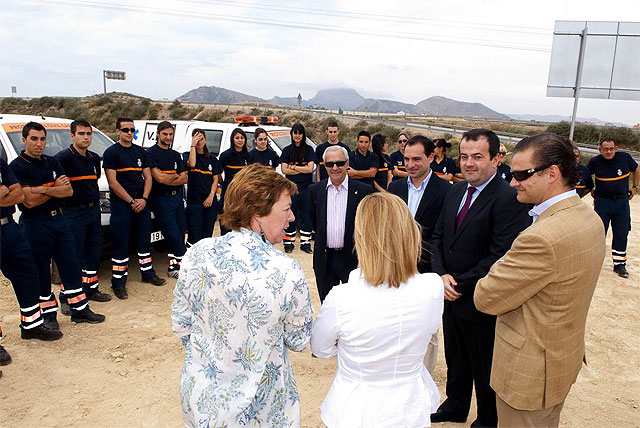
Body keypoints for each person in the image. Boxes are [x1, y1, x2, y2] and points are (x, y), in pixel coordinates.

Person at [475, 133, 605, 428]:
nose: (512, 182)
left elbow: (485, 297)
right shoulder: (589, 218)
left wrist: (502, 260)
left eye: (522, 174)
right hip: (559, 362)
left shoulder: (540, 238)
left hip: (529, 376)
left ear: (552, 173)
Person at [172, 163, 313, 428]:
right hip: (263, 410)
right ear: (258, 214)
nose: (292, 217)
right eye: (286, 209)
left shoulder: (197, 253)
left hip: (204, 404)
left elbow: (181, 326)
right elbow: (299, 340)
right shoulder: (285, 270)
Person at [311, 192, 444, 428]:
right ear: (409, 233)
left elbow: (320, 348)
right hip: (410, 405)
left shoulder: (342, 298)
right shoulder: (433, 286)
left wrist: (350, 345)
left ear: (361, 237)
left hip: (357, 409)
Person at [430, 129, 530, 427]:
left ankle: (487, 418)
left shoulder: (509, 198)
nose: (469, 163)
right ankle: (456, 406)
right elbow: (437, 237)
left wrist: (456, 282)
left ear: (496, 159)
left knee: (484, 363)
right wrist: (440, 275)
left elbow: (500, 254)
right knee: (456, 357)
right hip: (449, 294)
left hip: (480, 299)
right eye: (464, 156)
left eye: (477, 156)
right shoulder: (456, 191)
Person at [9, 122, 105, 327]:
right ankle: (49, 315)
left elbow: (68, 192)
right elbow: (28, 201)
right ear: (24, 140)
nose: (39, 144)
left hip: (59, 220)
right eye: (34, 139)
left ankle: (80, 310)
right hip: (36, 222)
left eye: (42, 139)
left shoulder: (52, 162)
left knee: (71, 264)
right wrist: (53, 188)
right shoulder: (17, 166)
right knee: (41, 270)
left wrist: (40, 189)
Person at [388, 135, 450, 375]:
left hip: (427, 271)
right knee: (396, 324)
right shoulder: (395, 188)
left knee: (426, 329)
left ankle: (423, 377)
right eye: (406, 159)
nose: (410, 164)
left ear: (431, 158)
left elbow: (442, 236)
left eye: (416, 159)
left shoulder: (446, 191)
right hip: (395, 271)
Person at [103, 117, 166, 300]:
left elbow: (148, 178)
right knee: (121, 243)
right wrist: (131, 201)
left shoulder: (141, 152)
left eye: (132, 130)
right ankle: (118, 283)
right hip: (122, 204)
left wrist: (144, 199)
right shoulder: (111, 153)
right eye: (125, 130)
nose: (129, 133)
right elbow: (113, 183)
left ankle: (148, 274)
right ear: (117, 131)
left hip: (142, 202)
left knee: (144, 241)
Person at [0, 157, 63, 342]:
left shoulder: (0, 162)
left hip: (9, 228)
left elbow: (19, 195)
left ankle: (32, 326)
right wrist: (4, 189)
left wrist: (7, 191)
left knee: (28, 274)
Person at [55, 119, 111, 313]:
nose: (86, 137)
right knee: (72, 256)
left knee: (93, 252)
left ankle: (90, 289)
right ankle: (66, 296)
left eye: (89, 134)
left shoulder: (94, 158)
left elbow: (93, 183)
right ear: (72, 136)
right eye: (81, 134)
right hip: (73, 212)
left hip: (93, 210)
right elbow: (60, 188)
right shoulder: (62, 159)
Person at [308, 145, 373, 302]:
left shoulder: (364, 191)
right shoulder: (314, 190)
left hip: (352, 259)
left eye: (340, 163)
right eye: (330, 164)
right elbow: (314, 223)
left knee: (354, 306)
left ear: (347, 163)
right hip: (325, 260)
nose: (335, 168)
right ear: (324, 165)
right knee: (327, 307)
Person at [586, 138, 638, 278]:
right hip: (602, 203)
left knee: (621, 233)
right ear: (600, 150)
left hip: (621, 203)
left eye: (611, 148)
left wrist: (635, 187)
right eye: (605, 149)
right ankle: (593, 263)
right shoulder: (595, 161)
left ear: (616, 148)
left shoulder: (625, 158)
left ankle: (619, 265)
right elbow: (585, 174)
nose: (608, 152)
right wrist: (591, 188)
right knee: (598, 233)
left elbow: (636, 168)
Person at [146, 121, 188, 278]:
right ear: (158, 134)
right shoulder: (151, 153)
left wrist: (170, 177)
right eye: (165, 134)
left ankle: (173, 268)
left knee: (180, 231)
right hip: (161, 199)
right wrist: (174, 176)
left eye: (170, 134)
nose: (168, 137)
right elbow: (159, 179)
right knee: (172, 234)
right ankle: (185, 265)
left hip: (176, 198)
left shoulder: (175, 155)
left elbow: (184, 179)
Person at [280, 123, 316, 254]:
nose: (297, 136)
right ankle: (288, 243)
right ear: (292, 134)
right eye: (295, 133)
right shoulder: (287, 151)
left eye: (300, 133)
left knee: (306, 215)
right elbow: (284, 170)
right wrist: (302, 169)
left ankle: (305, 243)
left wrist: (293, 168)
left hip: (306, 188)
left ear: (303, 134)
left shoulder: (309, 150)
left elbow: (310, 169)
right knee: (290, 214)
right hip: (290, 189)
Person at [183, 128, 222, 246]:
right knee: (194, 234)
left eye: (201, 138)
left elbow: (215, 179)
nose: (199, 141)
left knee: (207, 235)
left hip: (210, 201)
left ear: (205, 140)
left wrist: (211, 196)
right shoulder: (187, 156)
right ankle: (190, 260)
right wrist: (193, 146)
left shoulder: (212, 159)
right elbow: (192, 164)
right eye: (197, 138)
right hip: (195, 201)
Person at [218, 128, 249, 236]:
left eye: (242, 138)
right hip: (228, 193)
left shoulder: (247, 156)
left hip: (243, 194)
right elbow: (217, 173)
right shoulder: (226, 155)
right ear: (232, 140)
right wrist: (224, 184)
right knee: (226, 219)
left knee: (240, 221)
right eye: (237, 138)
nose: (240, 140)